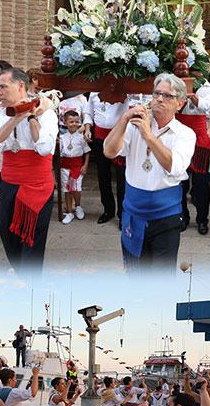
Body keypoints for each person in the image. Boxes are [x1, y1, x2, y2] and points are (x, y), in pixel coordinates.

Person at [104, 75, 196, 267]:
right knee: (135, 272)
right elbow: (109, 151)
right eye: (156, 93)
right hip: (134, 213)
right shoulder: (134, 124)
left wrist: (147, 134)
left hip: (166, 216)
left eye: (167, 96)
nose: (159, 99)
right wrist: (124, 119)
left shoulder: (185, 134)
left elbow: (174, 166)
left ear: (180, 104)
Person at [0, 67, 57, 268]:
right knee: (9, 237)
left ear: (20, 85)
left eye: (3, 87)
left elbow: (43, 148)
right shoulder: (1, 115)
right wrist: (15, 119)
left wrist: (31, 117)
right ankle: (21, 277)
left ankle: (30, 287)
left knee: (32, 243)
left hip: (37, 186)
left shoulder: (46, 114)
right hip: (10, 185)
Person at [177, 76, 210, 234]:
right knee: (179, 180)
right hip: (179, 134)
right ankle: (183, 216)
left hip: (199, 135)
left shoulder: (209, 88)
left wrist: (190, 93)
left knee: (201, 182)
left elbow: (205, 106)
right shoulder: (175, 82)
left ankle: (202, 219)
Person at [83, 92, 128, 225]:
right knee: (103, 175)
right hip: (99, 137)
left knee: (122, 176)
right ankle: (108, 209)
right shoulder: (93, 93)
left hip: (119, 138)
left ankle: (123, 213)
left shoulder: (124, 91)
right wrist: (87, 128)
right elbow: (88, 113)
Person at [59, 109, 90, 223]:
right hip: (65, 167)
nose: (74, 124)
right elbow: (60, 153)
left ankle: (77, 206)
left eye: (77, 122)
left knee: (76, 189)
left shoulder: (82, 137)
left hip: (77, 166)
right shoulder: (62, 138)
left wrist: (85, 165)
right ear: (65, 123)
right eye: (71, 122)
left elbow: (87, 152)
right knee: (67, 189)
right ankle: (70, 212)